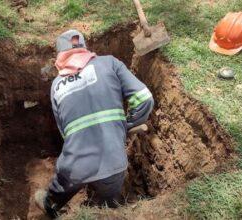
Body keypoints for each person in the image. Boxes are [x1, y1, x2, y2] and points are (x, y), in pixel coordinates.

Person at [35, 30, 154, 218]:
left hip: (74, 167)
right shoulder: (110, 63)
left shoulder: (56, 85)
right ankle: (103, 206)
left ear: (60, 56)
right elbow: (145, 99)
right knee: (107, 206)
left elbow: (65, 133)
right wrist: (124, 127)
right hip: (113, 163)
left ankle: (50, 205)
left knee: (58, 192)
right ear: (84, 48)